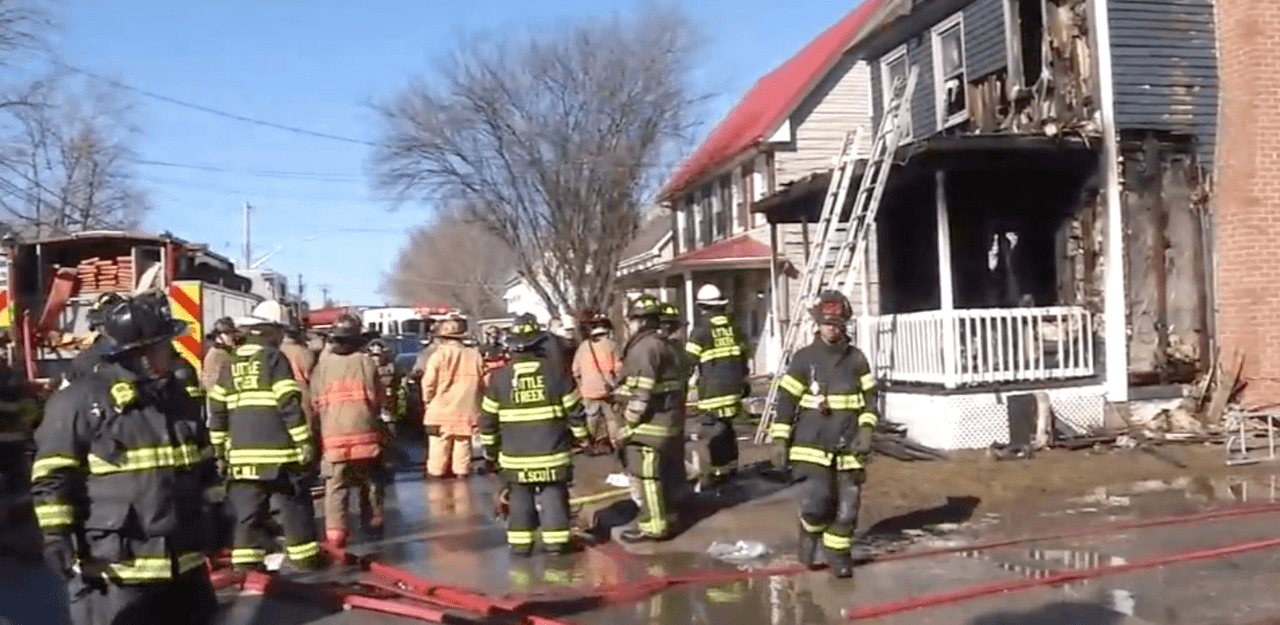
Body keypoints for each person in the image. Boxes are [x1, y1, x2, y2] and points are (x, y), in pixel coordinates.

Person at [31, 292, 220, 624]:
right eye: (164, 345)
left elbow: (203, 466)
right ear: (142, 355)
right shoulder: (80, 402)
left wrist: (218, 514)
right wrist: (56, 536)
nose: (171, 352)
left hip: (184, 564)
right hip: (117, 571)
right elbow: (53, 476)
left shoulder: (174, 398)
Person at [768, 290, 877, 579]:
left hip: (850, 445)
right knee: (819, 503)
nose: (832, 328)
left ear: (844, 325)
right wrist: (779, 438)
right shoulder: (804, 359)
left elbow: (870, 399)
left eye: (837, 324)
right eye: (826, 323)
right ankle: (809, 532)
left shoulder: (857, 360)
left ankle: (837, 555)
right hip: (811, 445)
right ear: (817, 324)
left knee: (847, 509)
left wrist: (866, 429)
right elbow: (786, 402)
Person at [208, 300, 323, 573]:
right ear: (271, 331)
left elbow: (217, 407)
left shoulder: (231, 362)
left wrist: (220, 448)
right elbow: (287, 402)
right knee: (293, 506)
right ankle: (305, 558)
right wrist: (303, 441)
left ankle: (246, 565)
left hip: (241, 456)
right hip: (278, 454)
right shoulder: (273, 357)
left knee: (247, 513)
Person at [479, 314, 587, 556]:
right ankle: (556, 543)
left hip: (515, 457)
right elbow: (575, 411)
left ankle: (521, 545)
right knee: (553, 495)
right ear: (540, 344)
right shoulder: (556, 373)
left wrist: (491, 450)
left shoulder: (499, 378)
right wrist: (582, 437)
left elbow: (487, 420)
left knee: (520, 498)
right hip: (552, 452)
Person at [615, 295, 685, 544]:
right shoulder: (667, 345)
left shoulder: (645, 348)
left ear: (640, 321)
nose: (630, 326)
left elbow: (641, 392)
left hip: (649, 427)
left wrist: (628, 424)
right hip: (669, 422)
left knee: (648, 477)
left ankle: (653, 525)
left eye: (632, 320)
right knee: (664, 475)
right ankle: (668, 516)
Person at [311, 315, 385, 548]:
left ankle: (336, 532)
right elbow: (377, 398)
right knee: (370, 480)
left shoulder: (322, 367)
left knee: (336, 486)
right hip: (365, 432)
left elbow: (314, 402)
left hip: (333, 437)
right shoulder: (366, 362)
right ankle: (373, 519)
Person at [684, 284, 751, 488]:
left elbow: (688, 363)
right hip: (734, 391)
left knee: (715, 434)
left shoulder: (700, 332)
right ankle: (731, 471)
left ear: (702, 307)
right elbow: (744, 358)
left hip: (712, 394)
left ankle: (718, 478)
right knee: (729, 430)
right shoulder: (735, 328)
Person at [421, 315, 485, 479]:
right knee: (462, 447)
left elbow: (428, 383)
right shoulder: (474, 355)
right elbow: (484, 383)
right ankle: (462, 483)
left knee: (438, 450)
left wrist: (428, 402)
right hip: (466, 410)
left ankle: (437, 486)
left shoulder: (438, 355)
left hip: (440, 410)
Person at [572, 311, 621, 454]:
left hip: (588, 389)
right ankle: (614, 442)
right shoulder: (612, 345)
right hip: (608, 389)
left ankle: (592, 441)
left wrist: (581, 383)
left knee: (591, 416)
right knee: (611, 418)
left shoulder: (583, 347)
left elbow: (575, 370)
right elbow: (618, 367)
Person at [281, 322, 319, 443]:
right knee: (306, 428)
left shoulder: (277, 350)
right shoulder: (306, 353)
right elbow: (312, 376)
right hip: (303, 391)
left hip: (281, 389)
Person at [200, 317, 238, 393]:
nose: (232, 337)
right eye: (228, 334)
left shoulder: (227, 352)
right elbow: (210, 382)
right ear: (220, 336)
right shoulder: (216, 354)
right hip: (219, 396)